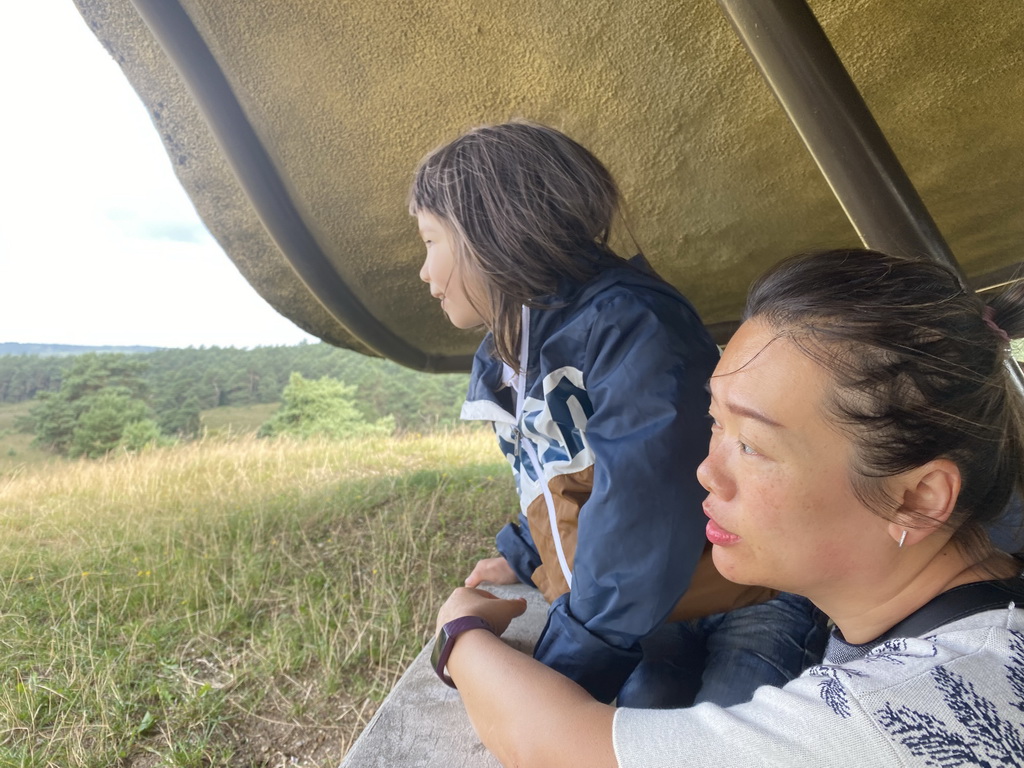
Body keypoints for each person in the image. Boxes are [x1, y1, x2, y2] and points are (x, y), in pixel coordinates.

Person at [431, 248, 1024, 766]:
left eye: (752, 445)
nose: (705, 471)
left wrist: (460, 631)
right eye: (715, 422)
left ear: (916, 498)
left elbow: (554, 751)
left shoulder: (888, 716)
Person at [411, 120, 826, 707]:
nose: (424, 272)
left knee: (726, 741)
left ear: (493, 232)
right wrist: (523, 551)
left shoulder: (629, 324)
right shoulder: (508, 354)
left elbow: (646, 498)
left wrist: (568, 663)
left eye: (430, 242)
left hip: (744, 594)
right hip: (647, 613)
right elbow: (556, 472)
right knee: (644, 710)